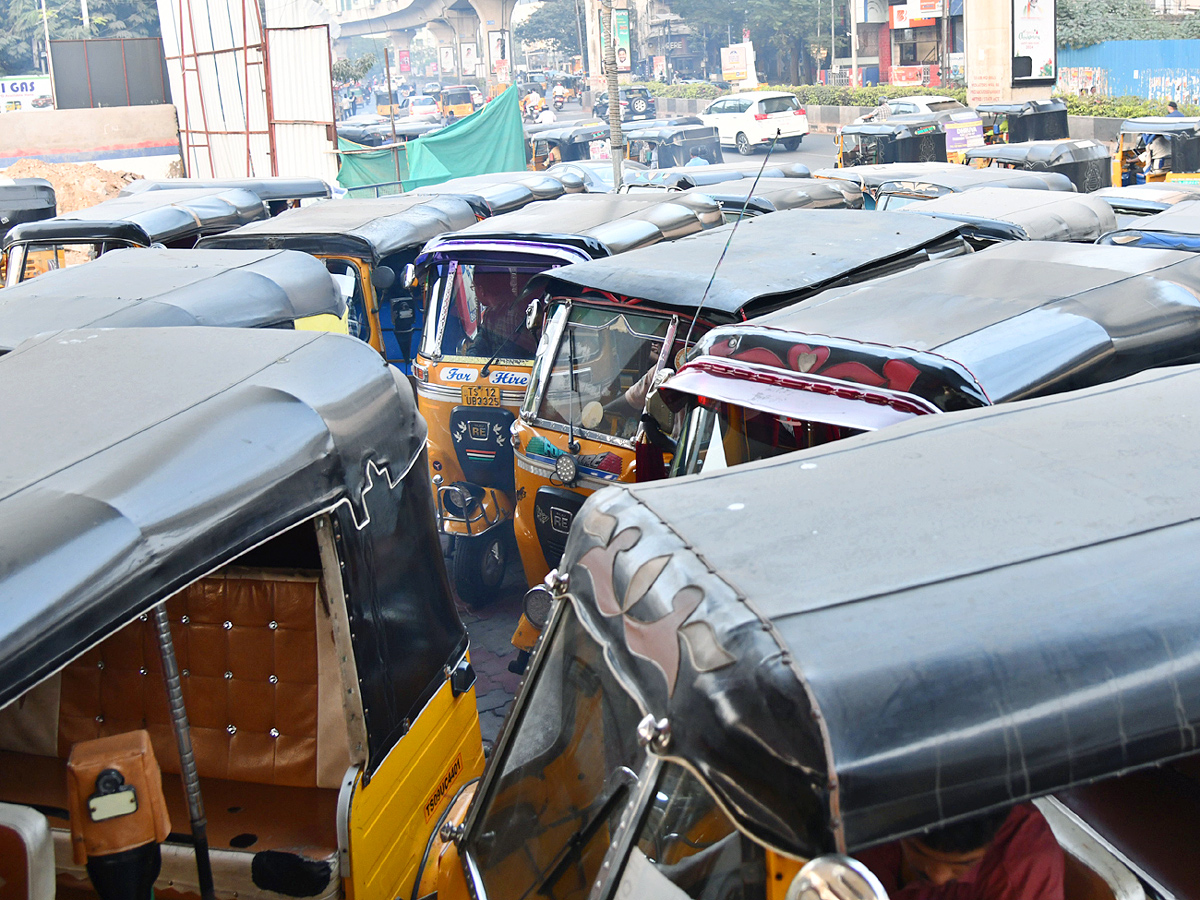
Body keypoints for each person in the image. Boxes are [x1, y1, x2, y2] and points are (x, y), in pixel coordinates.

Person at [856, 803, 1064, 900]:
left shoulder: (1026, 867)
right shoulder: (864, 808)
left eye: (963, 864)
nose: (938, 877)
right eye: (918, 852)